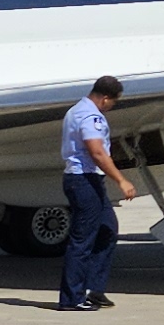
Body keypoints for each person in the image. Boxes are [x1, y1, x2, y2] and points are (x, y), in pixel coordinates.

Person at [57, 74, 138, 312]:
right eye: (113, 102)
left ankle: (94, 288)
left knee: (107, 230)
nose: (112, 106)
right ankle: (72, 298)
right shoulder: (90, 116)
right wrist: (121, 180)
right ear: (105, 99)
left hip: (86, 180)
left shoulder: (76, 110)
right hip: (83, 180)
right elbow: (98, 152)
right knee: (82, 240)